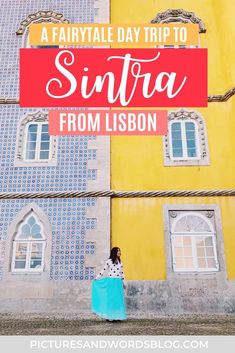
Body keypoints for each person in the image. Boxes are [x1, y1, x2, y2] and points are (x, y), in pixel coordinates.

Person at [91, 247, 127, 322]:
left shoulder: (120, 262)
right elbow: (103, 270)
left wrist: (124, 283)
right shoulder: (109, 261)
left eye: (120, 251)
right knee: (111, 299)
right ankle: (109, 316)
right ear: (114, 252)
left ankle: (117, 317)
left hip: (118, 282)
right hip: (111, 282)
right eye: (118, 251)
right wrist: (97, 278)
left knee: (118, 299)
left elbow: (122, 273)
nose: (120, 252)